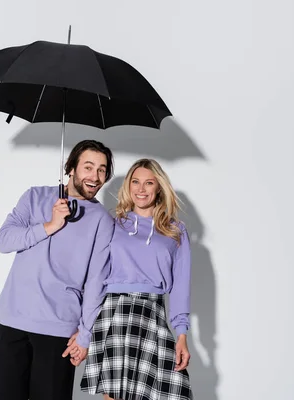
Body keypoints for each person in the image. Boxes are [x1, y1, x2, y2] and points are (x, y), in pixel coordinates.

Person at [0, 140, 115, 400]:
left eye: (102, 170)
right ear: (71, 168)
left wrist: (85, 334)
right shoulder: (34, 197)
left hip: (58, 330)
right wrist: (50, 225)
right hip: (13, 320)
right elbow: (4, 240)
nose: (95, 176)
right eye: (88, 167)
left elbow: (97, 282)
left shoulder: (102, 220)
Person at [65, 158, 194, 400]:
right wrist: (83, 328)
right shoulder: (112, 224)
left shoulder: (175, 230)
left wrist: (182, 335)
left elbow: (180, 287)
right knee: (114, 396)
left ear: (159, 187)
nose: (141, 189)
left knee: (162, 392)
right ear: (128, 185)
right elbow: (95, 276)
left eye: (148, 183)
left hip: (152, 314)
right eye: (135, 182)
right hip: (113, 314)